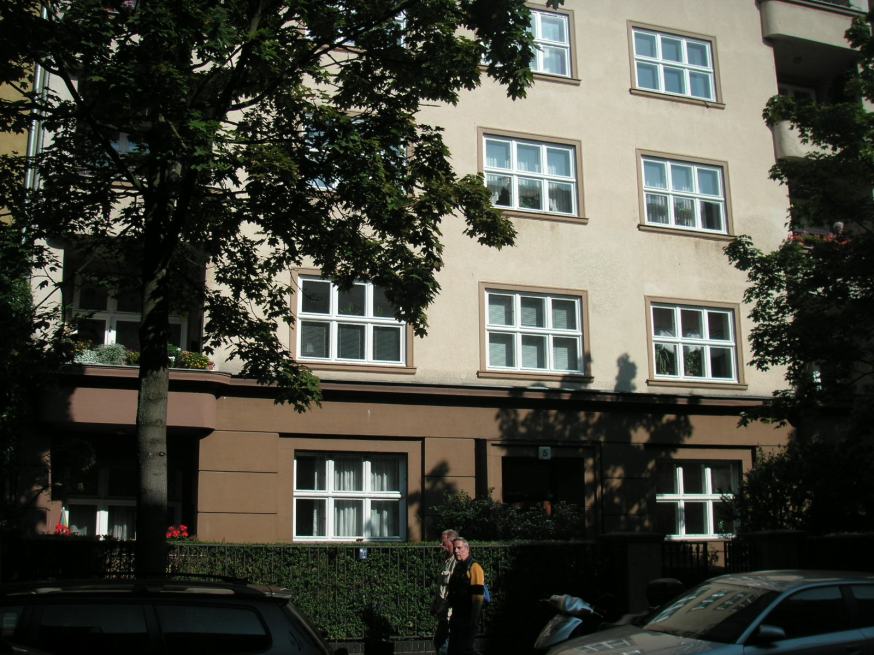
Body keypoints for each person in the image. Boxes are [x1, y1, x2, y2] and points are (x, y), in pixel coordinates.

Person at [447, 537, 485, 655]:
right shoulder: (458, 567)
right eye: (455, 548)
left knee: (465, 649)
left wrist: (473, 620)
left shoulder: (474, 568)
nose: (456, 551)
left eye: (459, 548)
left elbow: (478, 597)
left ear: (467, 549)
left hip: (467, 618)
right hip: (457, 616)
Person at [431, 529, 458, 655]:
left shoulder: (456, 562)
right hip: (443, 612)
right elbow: (442, 587)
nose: (441, 545)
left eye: (443, 542)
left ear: (452, 542)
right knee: (440, 642)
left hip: (449, 614)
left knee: (443, 645)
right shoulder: (446, 561)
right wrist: (434, 605)